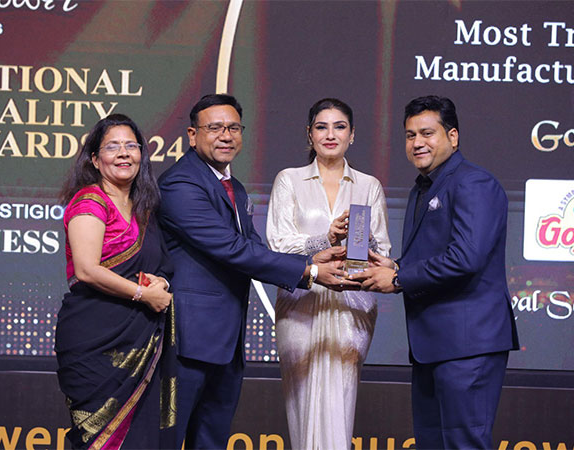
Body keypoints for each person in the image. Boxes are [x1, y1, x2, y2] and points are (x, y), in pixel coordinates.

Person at [157, 94, 358, 450]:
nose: (226, 135)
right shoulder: (180, 183)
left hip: (225, 342)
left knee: (211, 441)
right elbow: (231, 249)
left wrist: (316, 254)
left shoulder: (233, 187)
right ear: (191, 134)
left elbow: (256, 251)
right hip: (187, 339)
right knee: (166, 441)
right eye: (214, 127)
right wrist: (310, 271)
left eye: (234, 127)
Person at [350, 96, 519, 449]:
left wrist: (398, 279)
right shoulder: (421, 188)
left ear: (453, 136)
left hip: (468, 344)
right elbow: (436, 253)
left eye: (427, 133)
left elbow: (466, 258)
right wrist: (395, 267)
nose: (417, 143)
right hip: (432, 345)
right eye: (410, 135)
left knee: (463, 444)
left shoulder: (474, 183)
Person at [265, 98, 391, 449]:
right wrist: (326, 238)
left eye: (339, 127)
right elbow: (277, 246)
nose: (330, 134)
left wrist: (360, 249)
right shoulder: (289, 180)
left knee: (340, 403)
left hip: (351, 306)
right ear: (309, 134)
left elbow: (383, 251)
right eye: (322, 127)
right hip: (300, 305)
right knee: (302, 406)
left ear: (352, 135)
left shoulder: (369, 185)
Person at [54, 114, 176, 449]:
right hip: (95, 340)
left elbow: (163, 266)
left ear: (141, 154)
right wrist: (143, 294)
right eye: (112, 147)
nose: (123, 153)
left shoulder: (145, 209)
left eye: (131, 146)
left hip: (141, 341)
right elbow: (87, 269)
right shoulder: (90, 201)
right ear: (95, 159)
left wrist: (160, 284)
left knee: (142, 439)